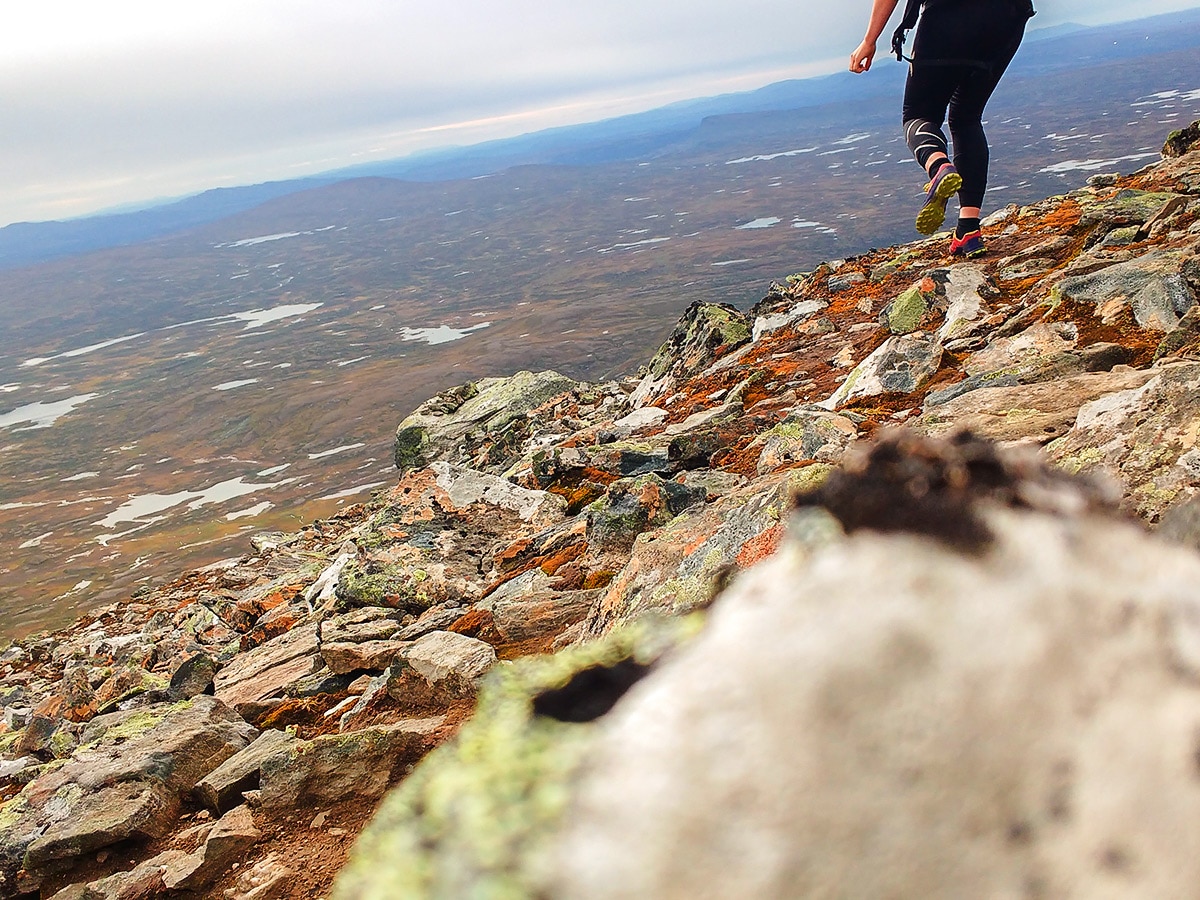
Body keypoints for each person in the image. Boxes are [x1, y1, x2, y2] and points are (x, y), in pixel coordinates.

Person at [849, 0, 1034, 257]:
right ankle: (968, 231)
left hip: (949, 15)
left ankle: (939, 167)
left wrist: (869, 40)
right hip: (1008, 17)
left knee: (917, 115)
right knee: (967, 118)